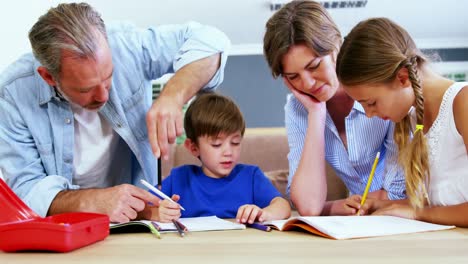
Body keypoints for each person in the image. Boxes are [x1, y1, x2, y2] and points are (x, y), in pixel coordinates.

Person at [0, 3, 230, 223]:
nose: (103, 96)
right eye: (86, 89)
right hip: (64, 230)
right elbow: (26, 190)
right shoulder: (12, 93)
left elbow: (210, 41)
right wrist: (94, 201)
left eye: (109, 76)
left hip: (135, 224)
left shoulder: (126, 47)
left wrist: (173, 97)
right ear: (48, 77)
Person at [262, 0, 406, 216]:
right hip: (361, 219)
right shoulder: (298, 109)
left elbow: (398, 192)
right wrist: (316, 113)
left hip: (403, 213)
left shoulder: (378, 85)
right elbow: (309, 206)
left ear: (336, 47)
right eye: (293, 77)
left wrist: (332, 207)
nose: (308, 84)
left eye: (314, 66)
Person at [336, 17, 468, 227]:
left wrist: (416, 213)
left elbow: (429, 211)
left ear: (403, 77)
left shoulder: (463, 102)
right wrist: (385, 206)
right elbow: (442, 202)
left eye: (371, 103)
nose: (369, 115)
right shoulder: (413, 118)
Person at [142, 92, 291, 223]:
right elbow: (140, 209)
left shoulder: (250, 176)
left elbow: (283, 206)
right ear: (194, 147)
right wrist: (157, 213)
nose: (228, 152)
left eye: (235, 142)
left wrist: (264, 213)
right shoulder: (179, 179)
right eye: (216, 144)